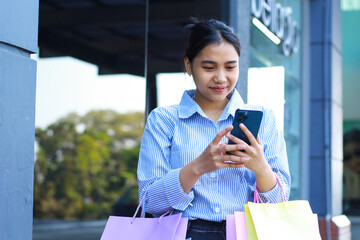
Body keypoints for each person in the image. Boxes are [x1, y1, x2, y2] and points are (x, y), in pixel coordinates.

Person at [137, 18, 291, 240]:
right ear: (189, 65)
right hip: (183, 233)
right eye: (209, 67)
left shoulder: (264, 119)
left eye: (230, 67)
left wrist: (261, 168)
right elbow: (149, 202)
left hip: (246, 232)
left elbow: (280, 202)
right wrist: (198, 167)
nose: (221, 78)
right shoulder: (163, 120)